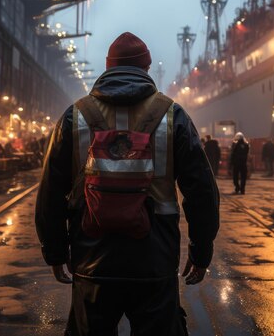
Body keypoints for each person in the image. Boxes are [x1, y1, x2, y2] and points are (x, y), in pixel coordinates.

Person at [35, 32, 219, 336]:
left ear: (108, 68)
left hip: (91, 258)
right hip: (154, 261)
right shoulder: (173, 116)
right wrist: (201, 252)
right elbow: (202, 191)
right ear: (145, 69)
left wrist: (54, 252)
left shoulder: (76, 115)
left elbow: (50, 192)